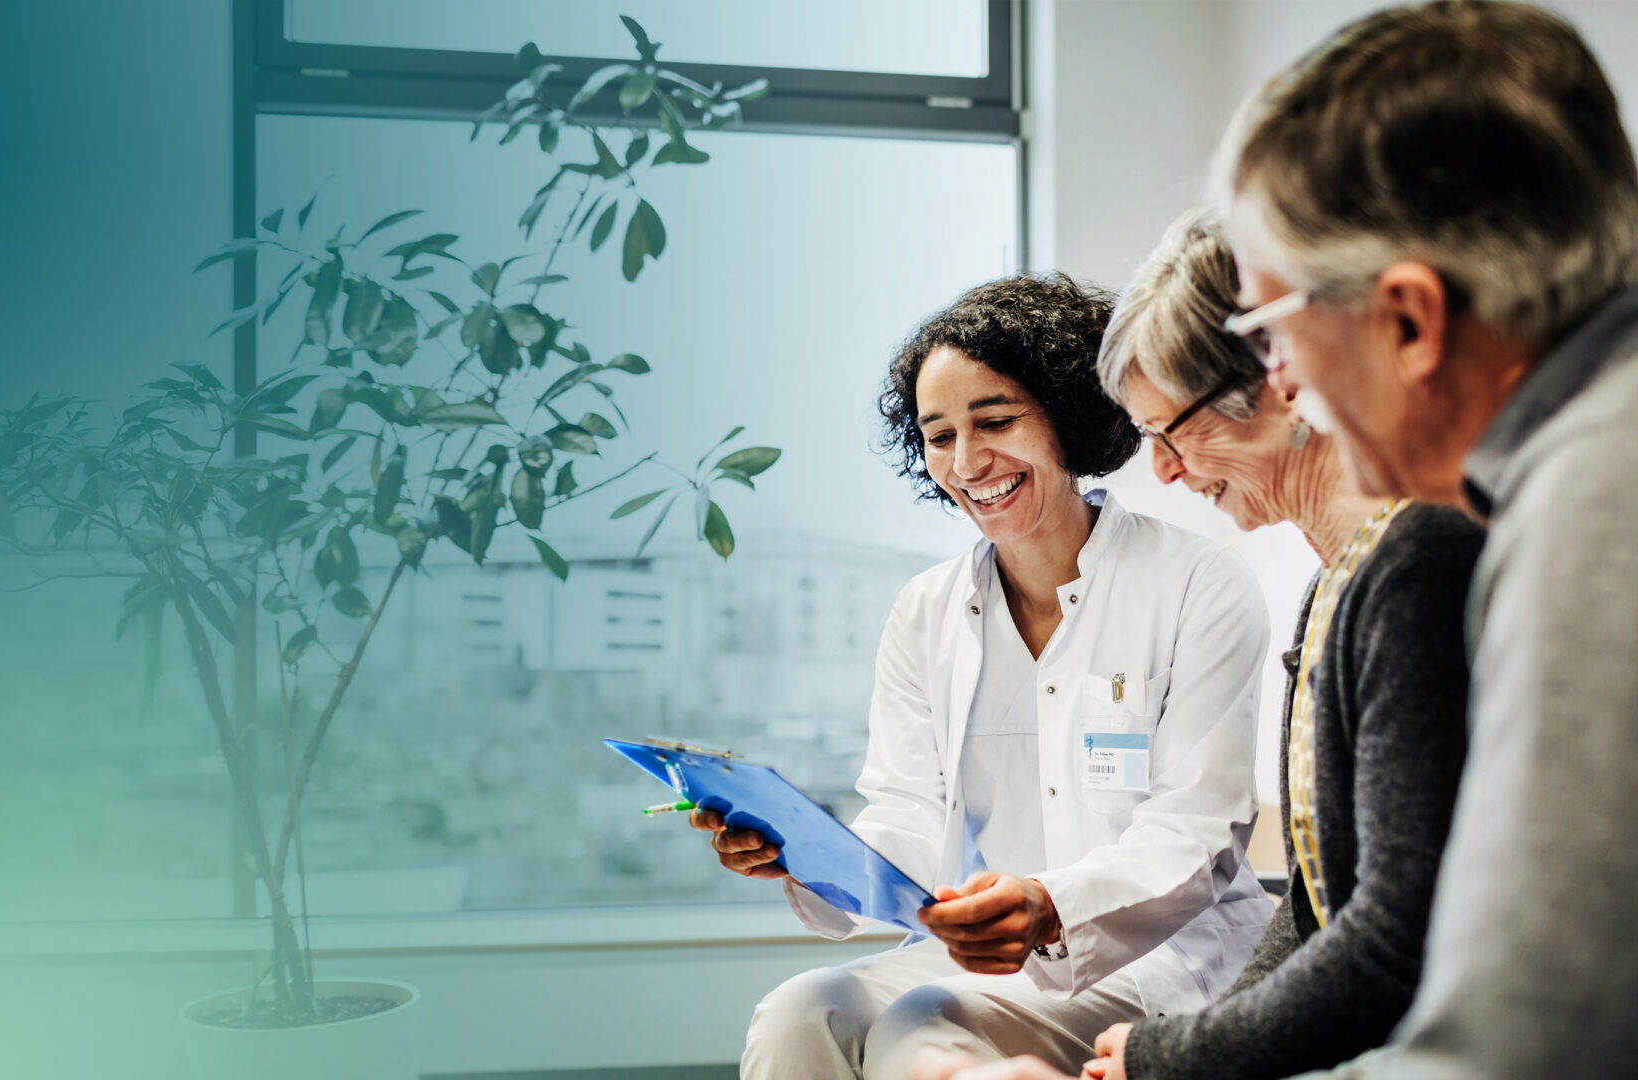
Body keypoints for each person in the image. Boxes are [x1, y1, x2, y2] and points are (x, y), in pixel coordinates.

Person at [924, 4, 1638, 1079]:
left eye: (1271, 333)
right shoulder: (1556, 479)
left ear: (1406, 320)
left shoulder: (1584, 508)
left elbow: (1518, 1036)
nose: (1284, 383)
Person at [694, 274, 1276, 1079]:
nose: (968, 462)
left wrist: (1048, 905)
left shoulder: (1196, 584)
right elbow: (904, 813)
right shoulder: (925, 610)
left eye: (995, 421)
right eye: (938, 436)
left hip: (1163, 959)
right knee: (801, 1012)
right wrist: (800, 852)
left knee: (922, 1026)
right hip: (985, 963)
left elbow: (1196, 833)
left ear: (1069, 421)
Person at [1049, 211, 1483, 1080]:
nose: (1165, 471)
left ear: (1283, 377)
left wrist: (1176, 1057)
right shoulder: (1334, 582)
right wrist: (1192, 1047)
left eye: (1171, 433)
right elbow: (1318, 904)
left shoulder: (1420, 562)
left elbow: (1395, 937)